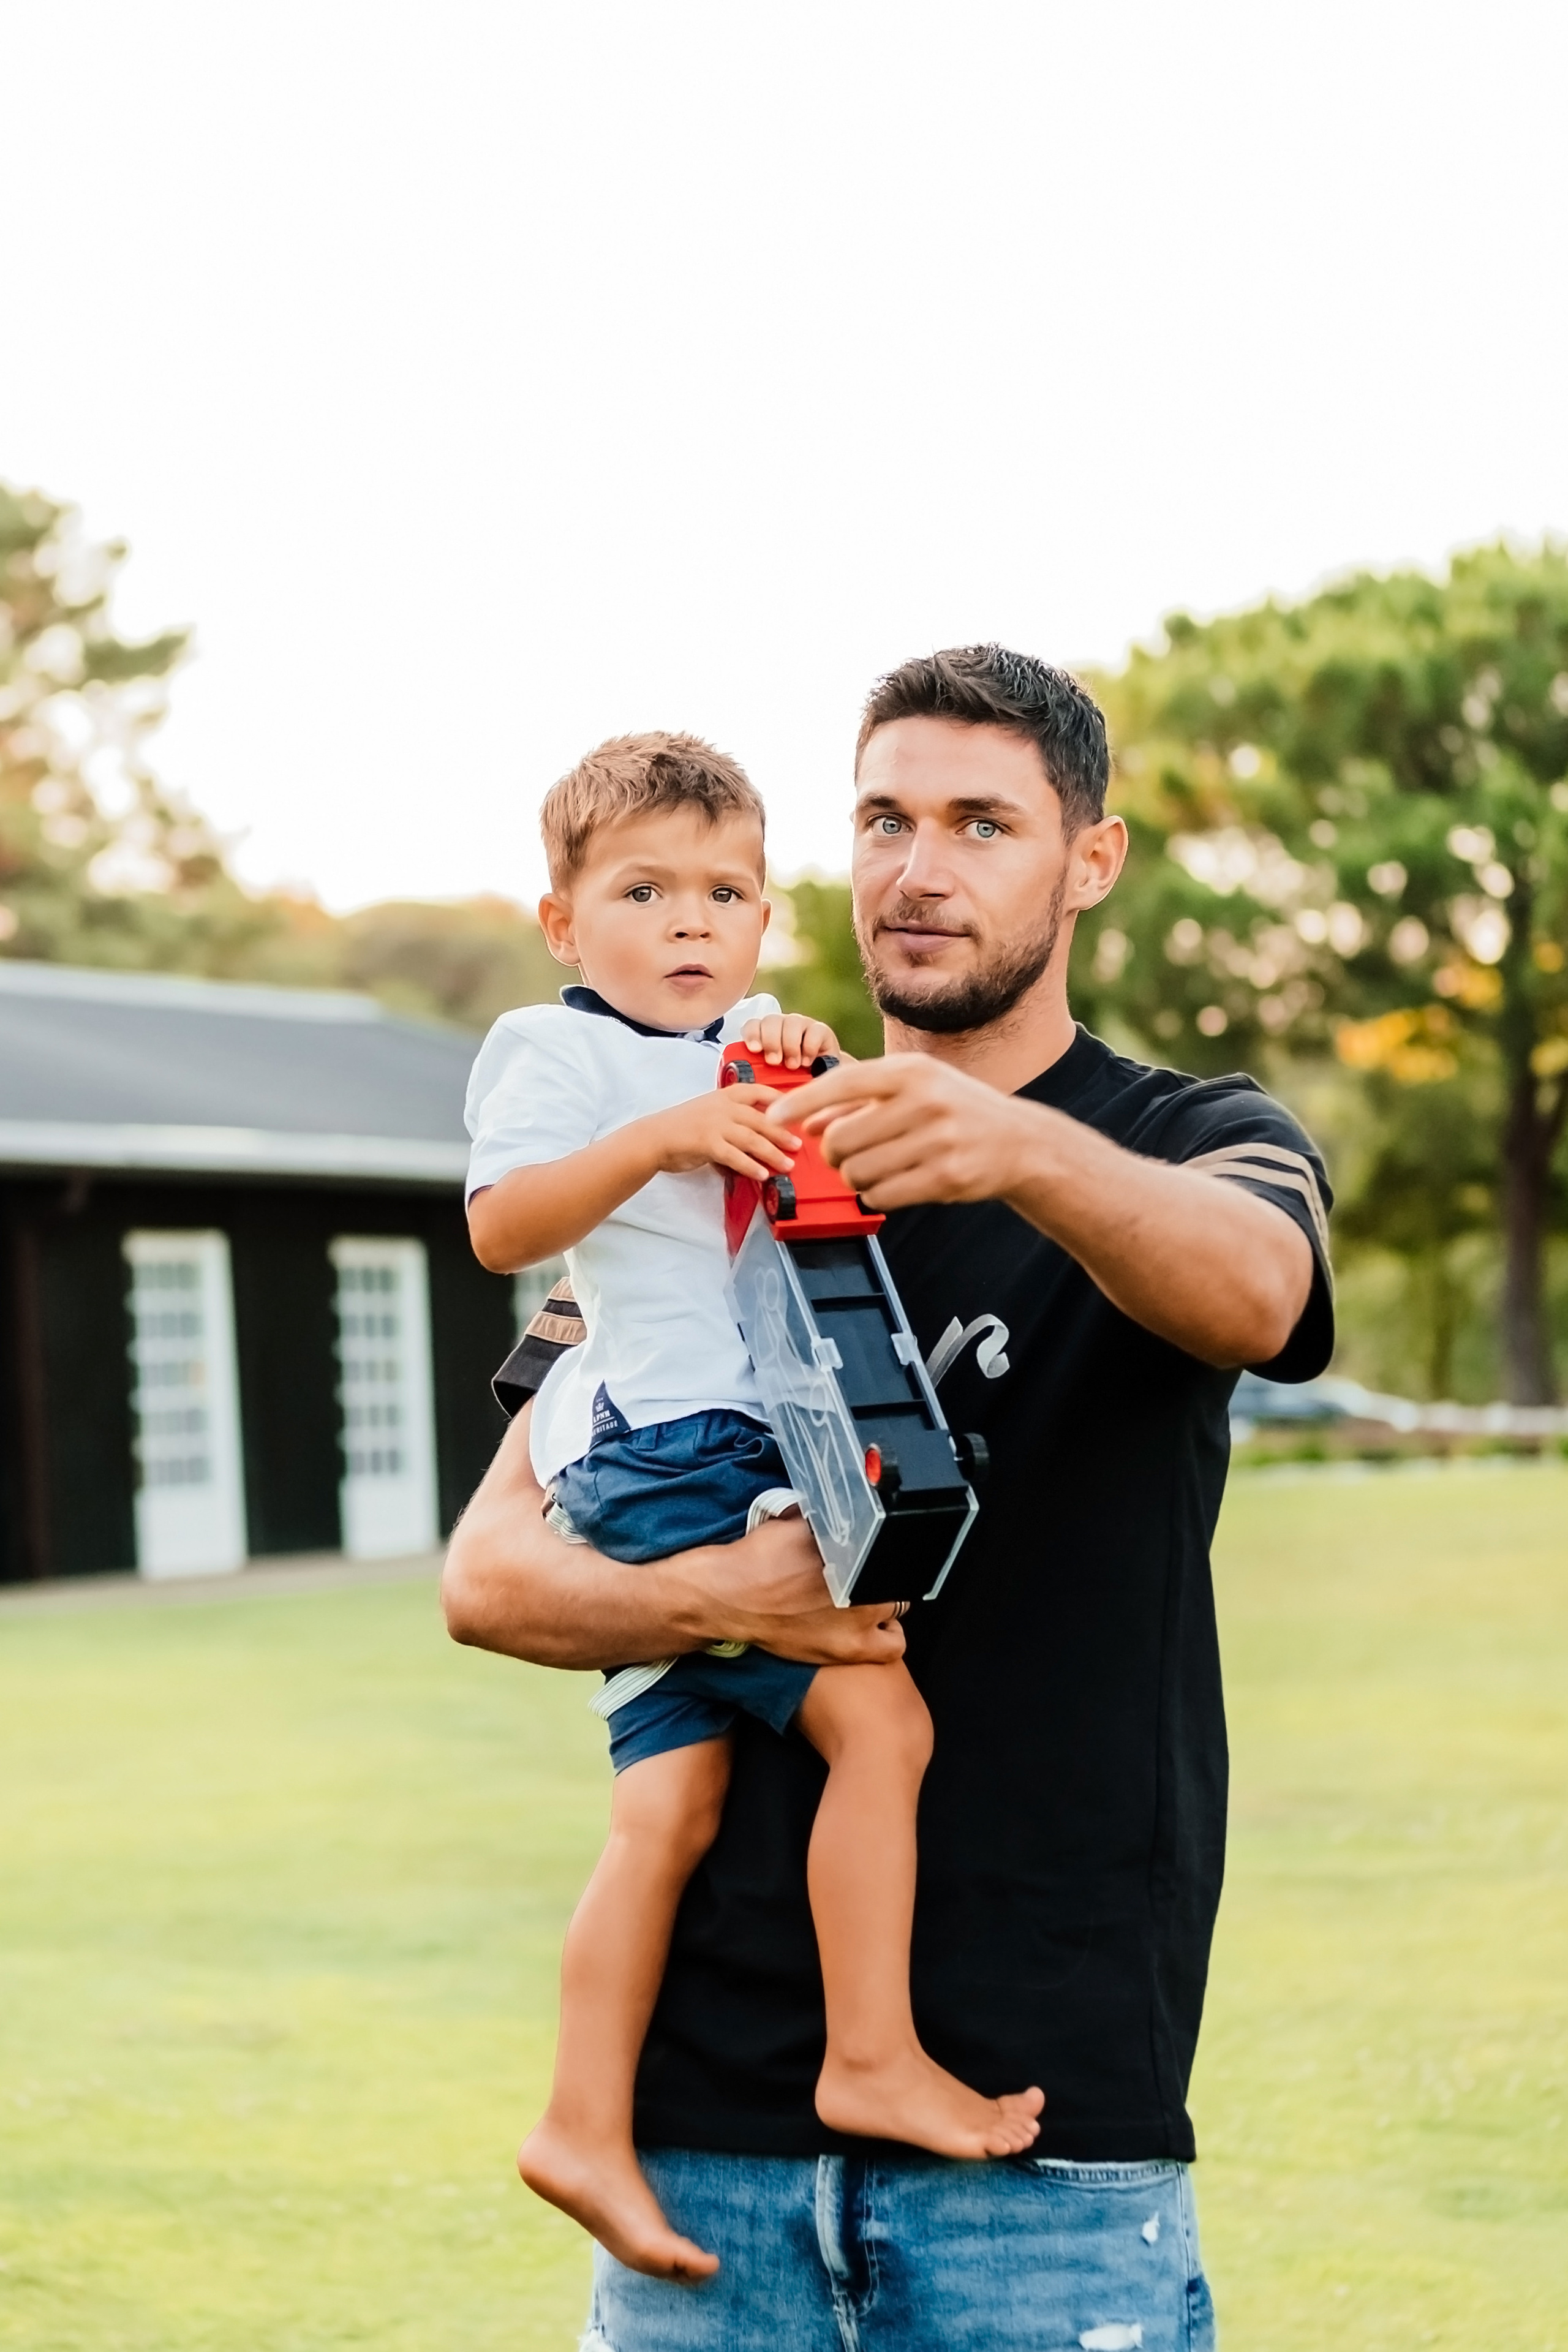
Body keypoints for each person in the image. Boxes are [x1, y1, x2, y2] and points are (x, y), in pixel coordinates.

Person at [445, 650, 1334, 2352]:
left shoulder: (1185, 1138)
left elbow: (1263, 1294)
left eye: (982, 823)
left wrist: (1019, 1154)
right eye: (884, 819)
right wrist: (725, 1603)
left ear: (1091, 860)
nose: (919, 870)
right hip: (707, 2152)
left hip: (1039, 2143)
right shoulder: (728, 1147)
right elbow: (489, 1573)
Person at [462, 733, 1044, 2286]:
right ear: (562, 922)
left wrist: (765, 1063)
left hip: (691, 1439)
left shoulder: (730, 1045)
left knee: (665, 1812)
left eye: (724, 892)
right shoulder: (557, 1049)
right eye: (643, 890)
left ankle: (581, 2121)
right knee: (883, 1726)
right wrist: (659, 1131)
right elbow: (504, 1225)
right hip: (678, 1447)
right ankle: (868, 2054)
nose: (687, 924)